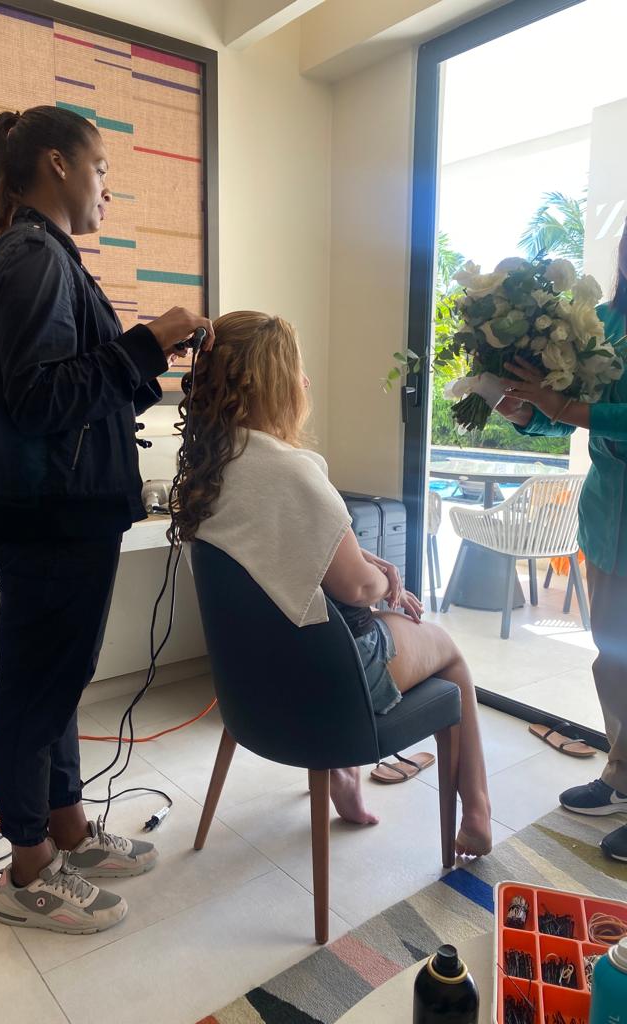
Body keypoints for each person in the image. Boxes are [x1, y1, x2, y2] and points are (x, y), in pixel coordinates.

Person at [0, 105, 214, 933]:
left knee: (59, 683)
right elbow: (41, 400)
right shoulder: (34, 256)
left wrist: (144, 354)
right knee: (35, 692)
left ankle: (68, 831)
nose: (109, 184)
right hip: (53, 522)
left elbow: (71, 384)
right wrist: (148, 344)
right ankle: (27, 870)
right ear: (58, 164)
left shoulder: (46, 257)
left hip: (66, 516)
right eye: (103, 167)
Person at [174, 311, 492, 857]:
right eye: (296, 371)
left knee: (331, 622)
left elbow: (277, 552)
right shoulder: (291, 471)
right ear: (274, 384)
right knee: (446, 650)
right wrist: (381, 580)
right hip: (327, 684)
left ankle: (341, 777)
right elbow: (358, 591)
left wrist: (361, 557)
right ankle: (480, 816)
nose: (306, 382)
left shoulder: (209, 468)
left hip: (252, 679)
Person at [494, 234, 627, 863]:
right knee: (613, 657)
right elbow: (561, 408)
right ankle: (621, 777)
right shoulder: (602, 322)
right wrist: (527, 412)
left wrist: (566, 407)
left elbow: (581, 407)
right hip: (607, 516)